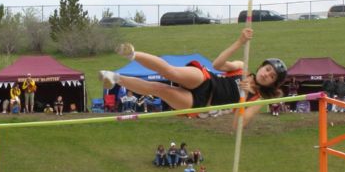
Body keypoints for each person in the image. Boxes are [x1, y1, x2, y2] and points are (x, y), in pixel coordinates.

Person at [99, 28, 287, 127]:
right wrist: (239, 42)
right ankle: (132, 54)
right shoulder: (242, 68)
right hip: (207, 80)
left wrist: (243, 101)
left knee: (159, 89)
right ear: (262, 66)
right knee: (170, 72)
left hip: (202, 103)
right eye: (267, 69)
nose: (266, 74)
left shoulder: (256, 99)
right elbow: (217, 64)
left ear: (272, 83)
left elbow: (238, 124)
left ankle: (115, 78)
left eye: (271, 76)